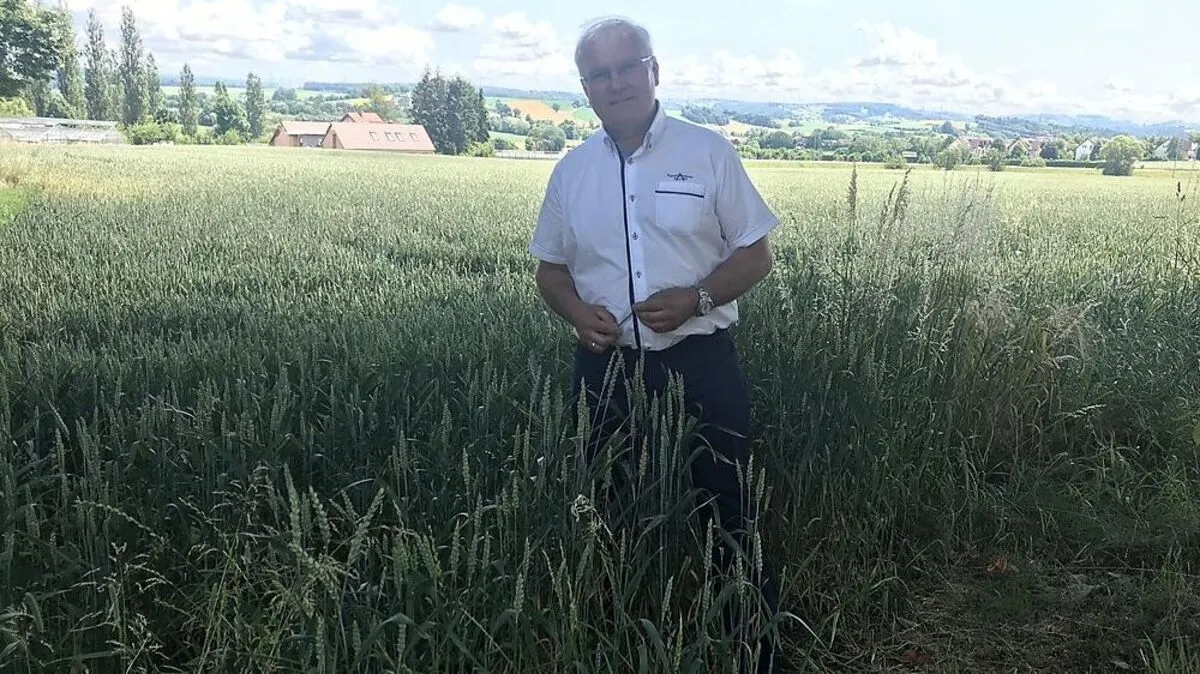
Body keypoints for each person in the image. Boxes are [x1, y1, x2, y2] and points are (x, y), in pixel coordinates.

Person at [527, 15, 783, 673]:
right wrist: (577, 313)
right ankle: (615, 640)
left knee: (728, 509)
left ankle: (752, 649)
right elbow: (549, 271)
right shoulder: (571, 172)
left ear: (654, 70)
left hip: (702, 365)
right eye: (599, 74)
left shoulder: (708, 153)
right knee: (607, 508)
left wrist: (699, 297)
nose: (615, 84)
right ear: (585, 87)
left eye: (626, 67)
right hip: (605, 369)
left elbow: (756, 256)